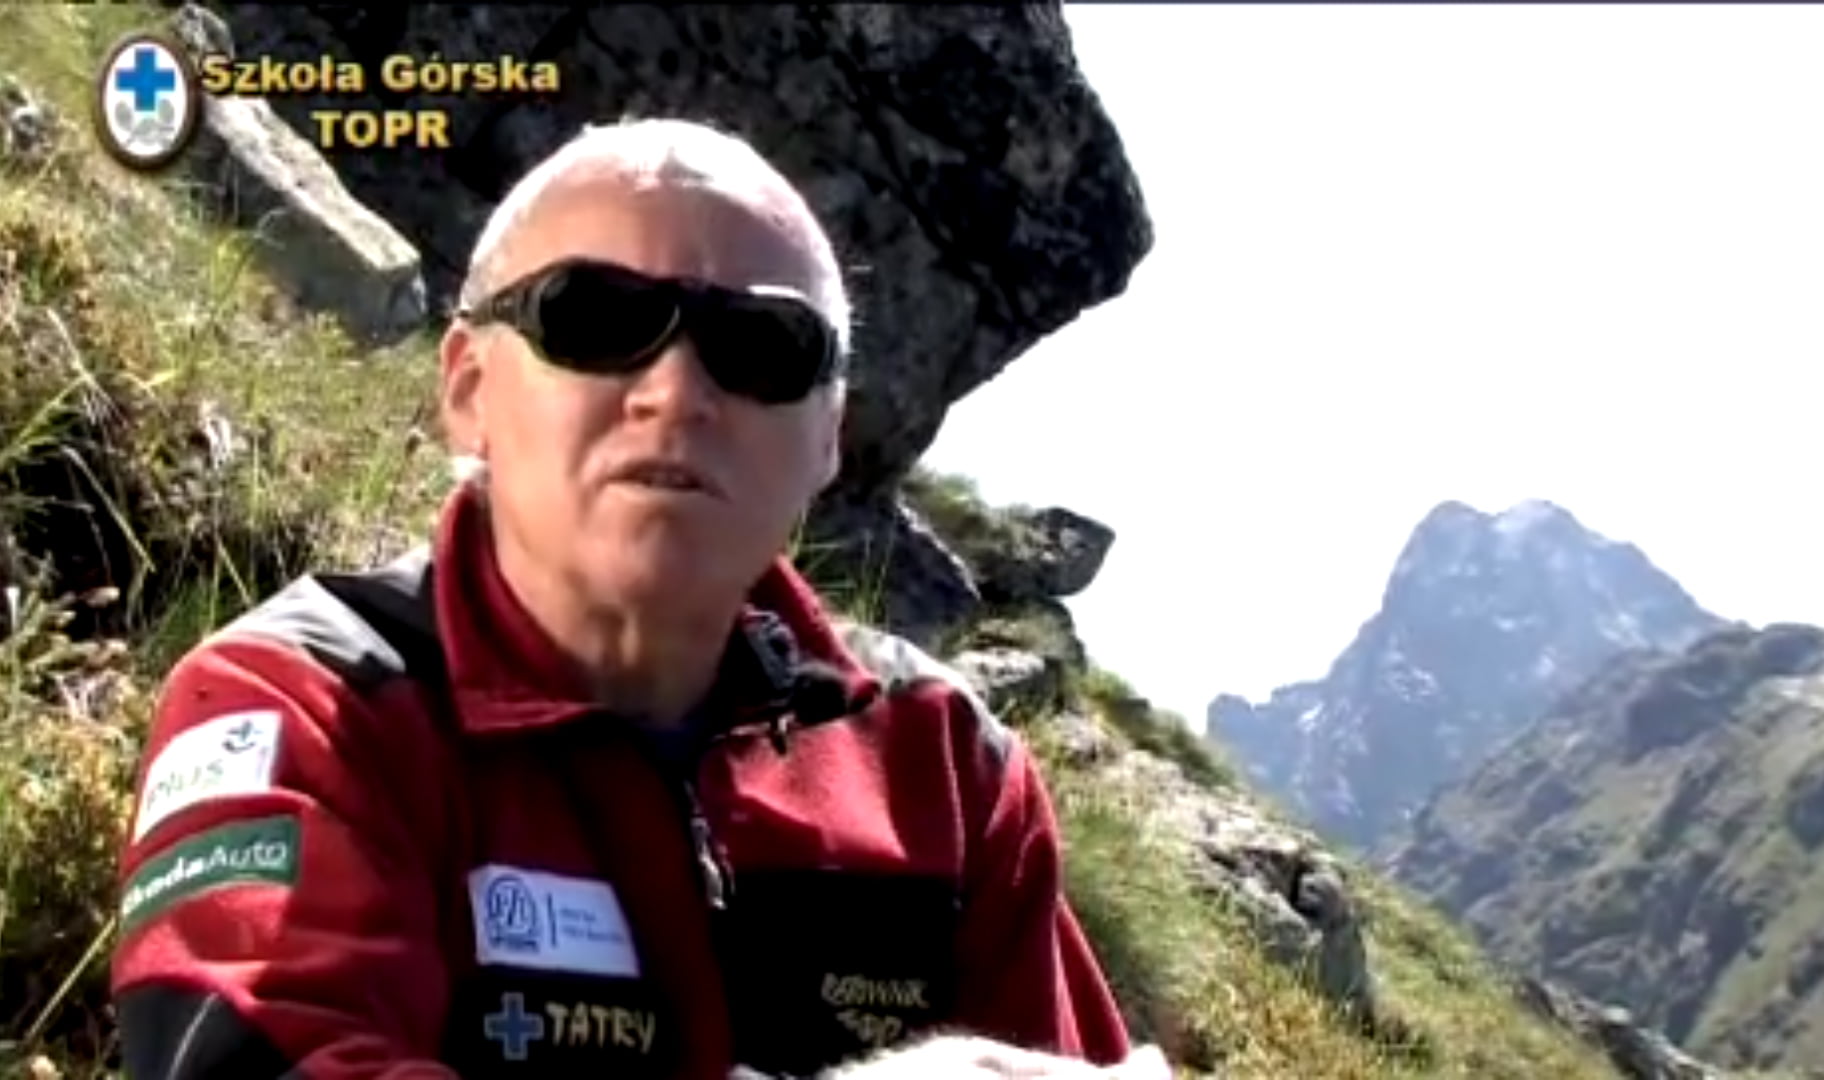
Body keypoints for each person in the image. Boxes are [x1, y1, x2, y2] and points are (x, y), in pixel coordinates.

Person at [109, 116, 1168, 1080]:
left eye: (763, 347)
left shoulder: (944, 763)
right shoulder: (304, 702)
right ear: (469, 388)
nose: (675, 390)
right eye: (595, 316)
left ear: (830, 439)